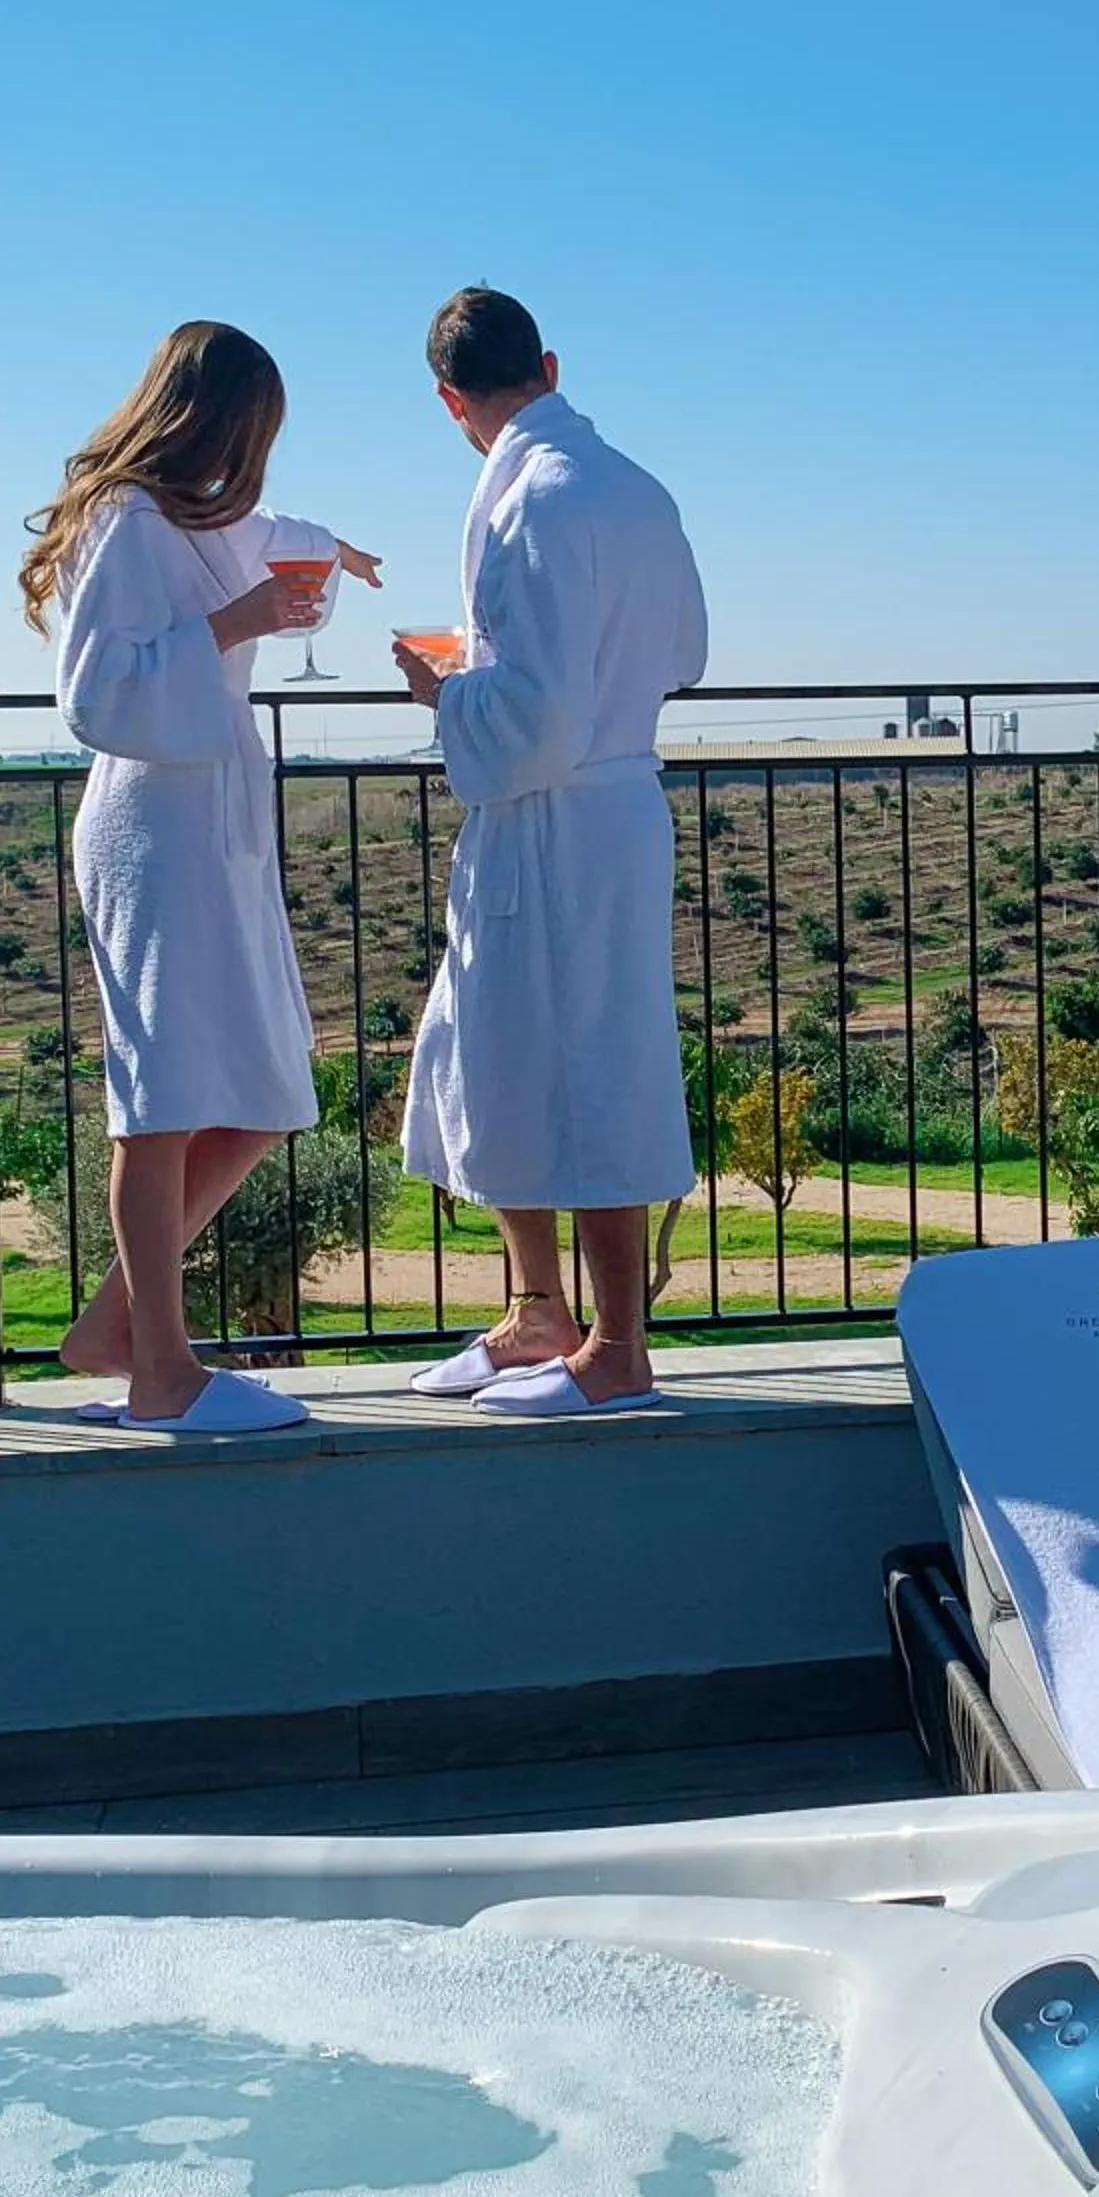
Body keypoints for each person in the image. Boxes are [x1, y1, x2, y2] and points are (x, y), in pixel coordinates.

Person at [18, 320, 380, 1432]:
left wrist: (338, 558)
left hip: (214, 825)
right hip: (154, 830)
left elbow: (270, 531)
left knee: (268, 1085)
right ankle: (159, 1375)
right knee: (161, 1098)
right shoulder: (124, 521)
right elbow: (97, 695)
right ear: (211, 418)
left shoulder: (190, 512)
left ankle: (114, 1324)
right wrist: (239, 618)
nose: (254, 457)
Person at [394, 287, 708, 1415]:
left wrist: (446, 692)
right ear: (550, 363)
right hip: (616, 808)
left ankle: (616, 1349)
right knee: (498, 1050)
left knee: (588, 1066)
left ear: (450, 401)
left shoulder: (534, 500)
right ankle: (540, 1314)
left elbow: (536, 722)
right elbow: (682, 651)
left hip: (559, 820)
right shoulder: (635, 487)